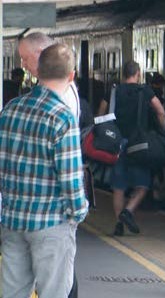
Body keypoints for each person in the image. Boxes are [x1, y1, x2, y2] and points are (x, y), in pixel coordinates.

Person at [0, 43, 88, 298]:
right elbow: (70, 179)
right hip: (51, 223)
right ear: (71, 76)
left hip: (14, 220)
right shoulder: (63, 118)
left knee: (12, 293)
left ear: (37, 72)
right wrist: (79, 212)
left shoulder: (10, 110)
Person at [111, 61, 165, 236]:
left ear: (123, 74)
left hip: (118, 144)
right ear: (138, 73)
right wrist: (161, 130)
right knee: (142, 185)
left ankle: (118, 224)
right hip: (139, 144)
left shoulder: (115, 91)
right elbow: (160, 111)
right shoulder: (145, 91)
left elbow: (102, 114)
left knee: (118, 187)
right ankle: (128, 211)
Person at [18, 32, 80, 123]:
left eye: (25, 58)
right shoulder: (60, 88)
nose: (23, 65)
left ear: (41, 54)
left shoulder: (63, 95)